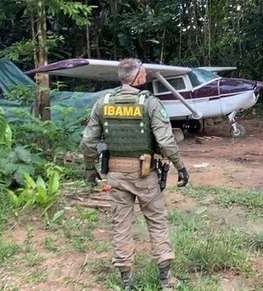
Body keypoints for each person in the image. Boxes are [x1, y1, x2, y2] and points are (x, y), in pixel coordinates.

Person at [80, 58, 190, 290]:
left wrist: (90, 170)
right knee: (157, 223)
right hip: (145, 174)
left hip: (116, 176)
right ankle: (165, 280)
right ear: (138, 77)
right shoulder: (150, 103)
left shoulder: (103, 103)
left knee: (121, 225)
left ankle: (127, 282)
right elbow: (166, 142)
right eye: (144, 72)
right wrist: (180, 166)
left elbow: (88, 141)